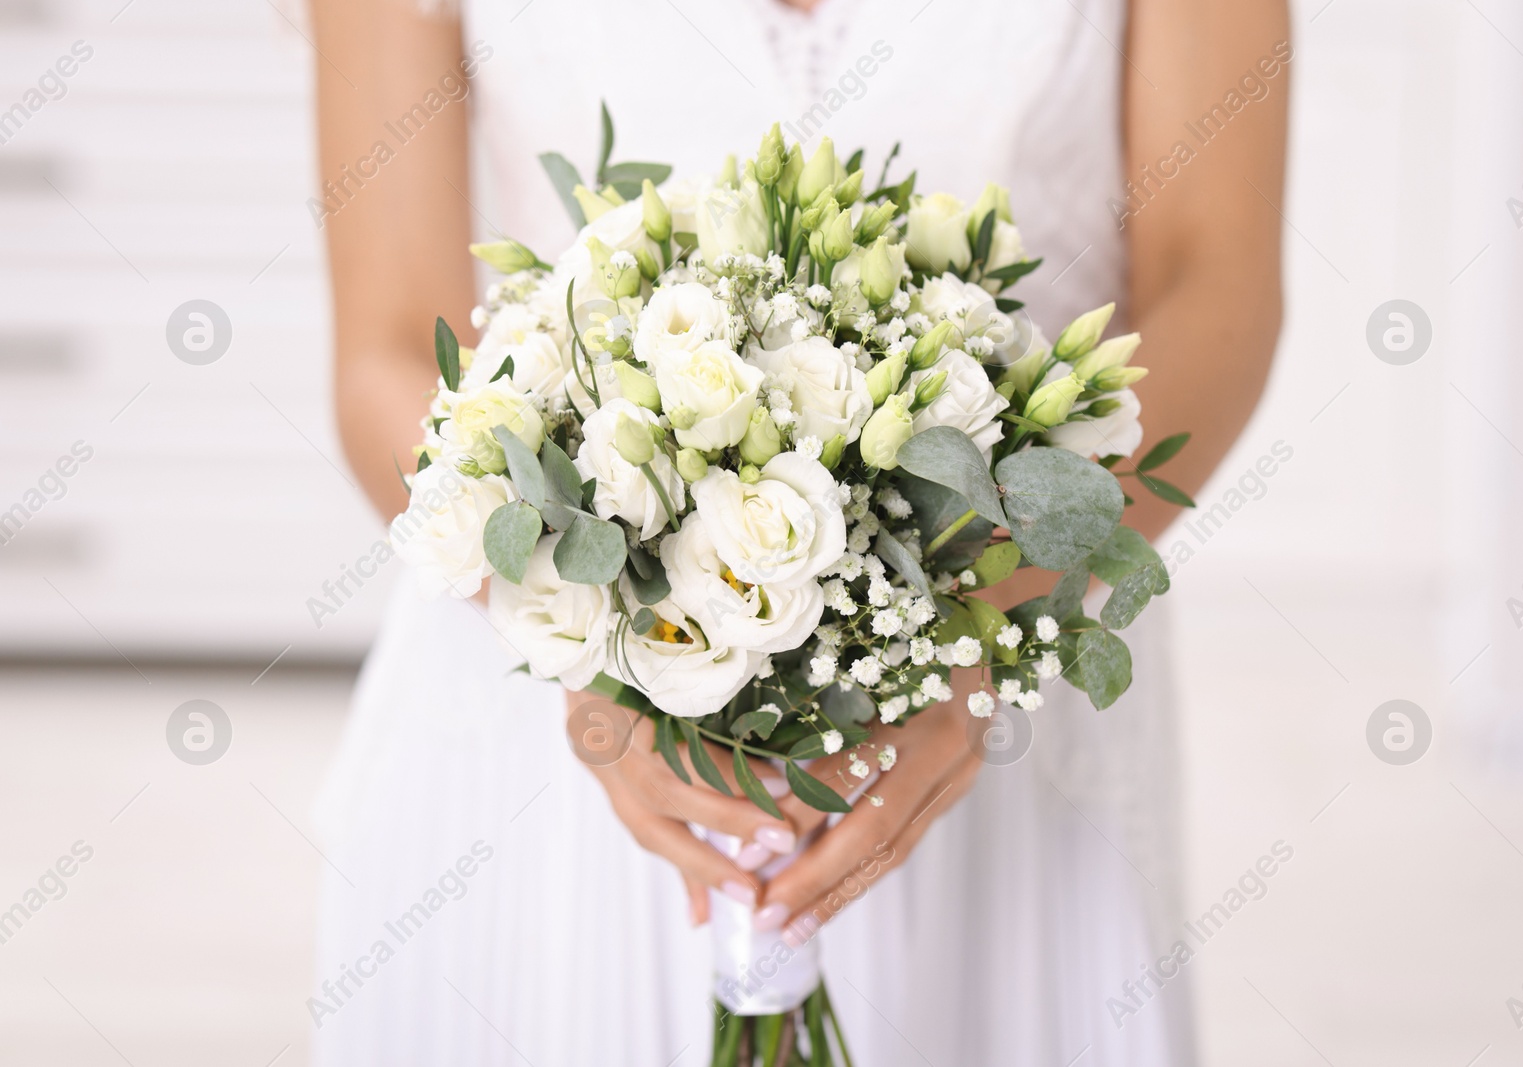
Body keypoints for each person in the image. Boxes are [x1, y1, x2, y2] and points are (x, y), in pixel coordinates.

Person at [306, 0, 1286, 1062]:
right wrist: (594, 640)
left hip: (999, 700)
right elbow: (389, 346)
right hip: (550, 722)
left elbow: (1215, 286)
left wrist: (982, 638)